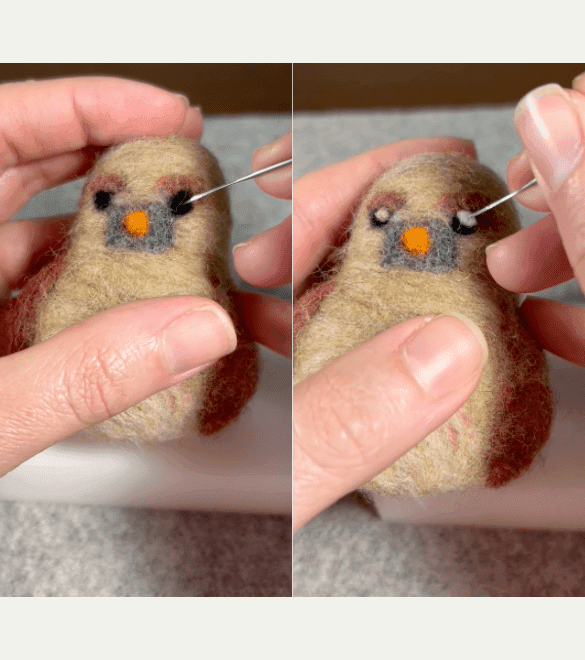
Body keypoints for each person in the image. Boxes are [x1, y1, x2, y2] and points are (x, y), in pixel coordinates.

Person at [293, 78, 585, 531]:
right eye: (385, 218)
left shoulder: (496, 317)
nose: (415, 237)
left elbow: (525, 386)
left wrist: (507, 446)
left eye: (462, 224)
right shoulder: (338, 297)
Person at [0, 76, 291, 478]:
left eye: (179, 203)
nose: (136, 220)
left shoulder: (205, 285)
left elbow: (236, 360)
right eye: (106, 200)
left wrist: (223, 396)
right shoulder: (66, 276)